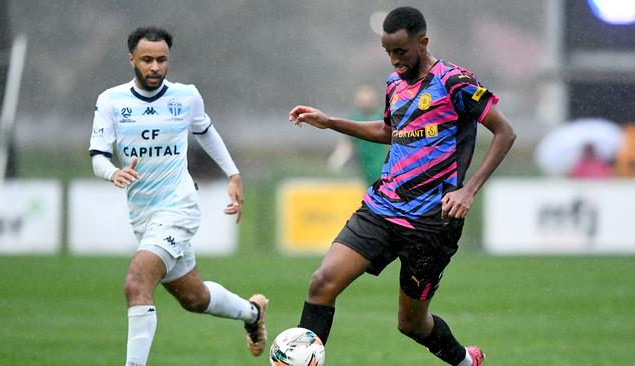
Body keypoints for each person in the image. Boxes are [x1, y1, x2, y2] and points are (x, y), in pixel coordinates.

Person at [288, 7, 515, 366]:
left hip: (431, 222)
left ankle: (465, 361)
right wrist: (330, 121)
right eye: (388, 52)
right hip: (383, 206)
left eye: (401, 51)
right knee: (322, 282)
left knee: (410, 323)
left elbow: (505, 132)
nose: (394, 60)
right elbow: (389, 131)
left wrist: (468, 190)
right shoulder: (394, 85)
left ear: (422, 43)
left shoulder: (454, 82)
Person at [88, 27, 268, 366]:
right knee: (194, 298)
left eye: (161, 60)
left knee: (137, 282)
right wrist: (113, 171)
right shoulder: (111, 101)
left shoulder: (185, 96)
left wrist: (233, 174)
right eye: (147, 60)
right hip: (143, 214)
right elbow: (98, 155)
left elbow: (206, 132)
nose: (155, 67)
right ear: (132, 60)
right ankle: (252, 312)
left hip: (179, 207)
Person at [327, 84, 388, 185]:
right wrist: (338, 157)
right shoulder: (355, 118)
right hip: (364, 167)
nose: (365, 103)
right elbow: (348, 143)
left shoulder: (382, 116)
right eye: (363, 101)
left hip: (382, 165)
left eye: (368, 100)